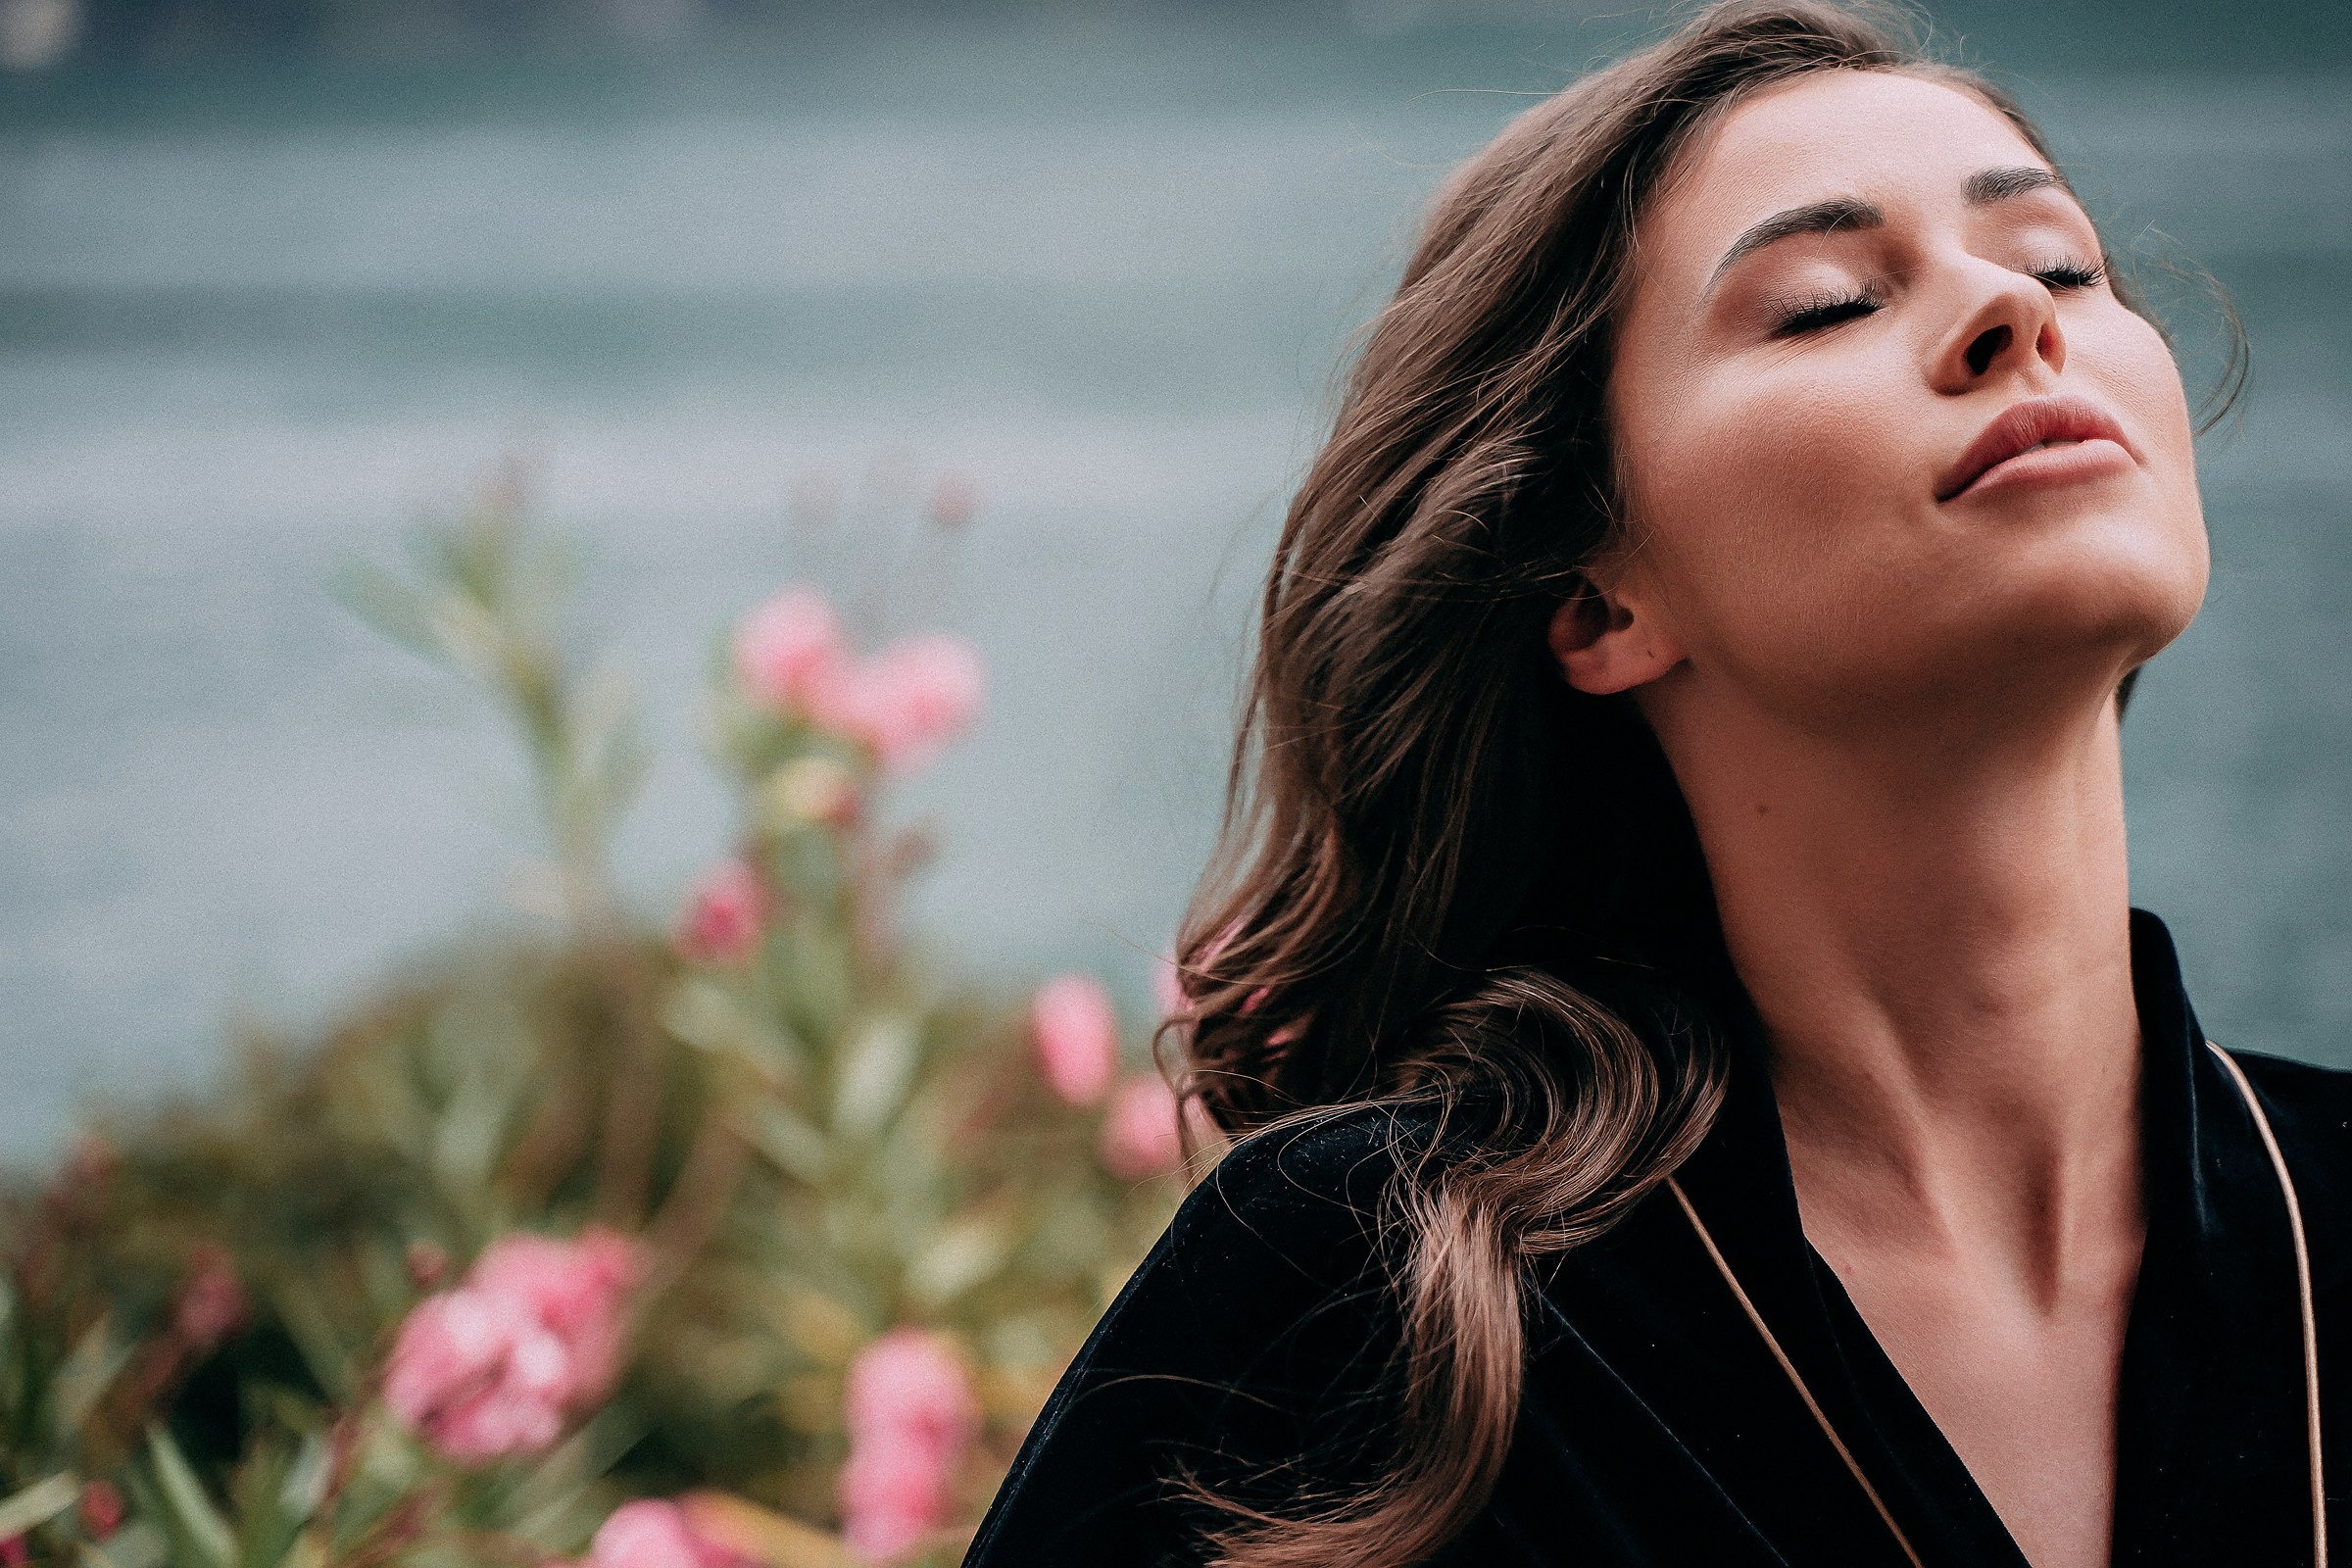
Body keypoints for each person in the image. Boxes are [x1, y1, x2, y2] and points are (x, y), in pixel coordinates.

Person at [965, 3, 2341, 1565]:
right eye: (1824, 304)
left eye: (2061, 264)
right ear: (1596, 601)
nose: (2010, 315)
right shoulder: (1367, 1311)